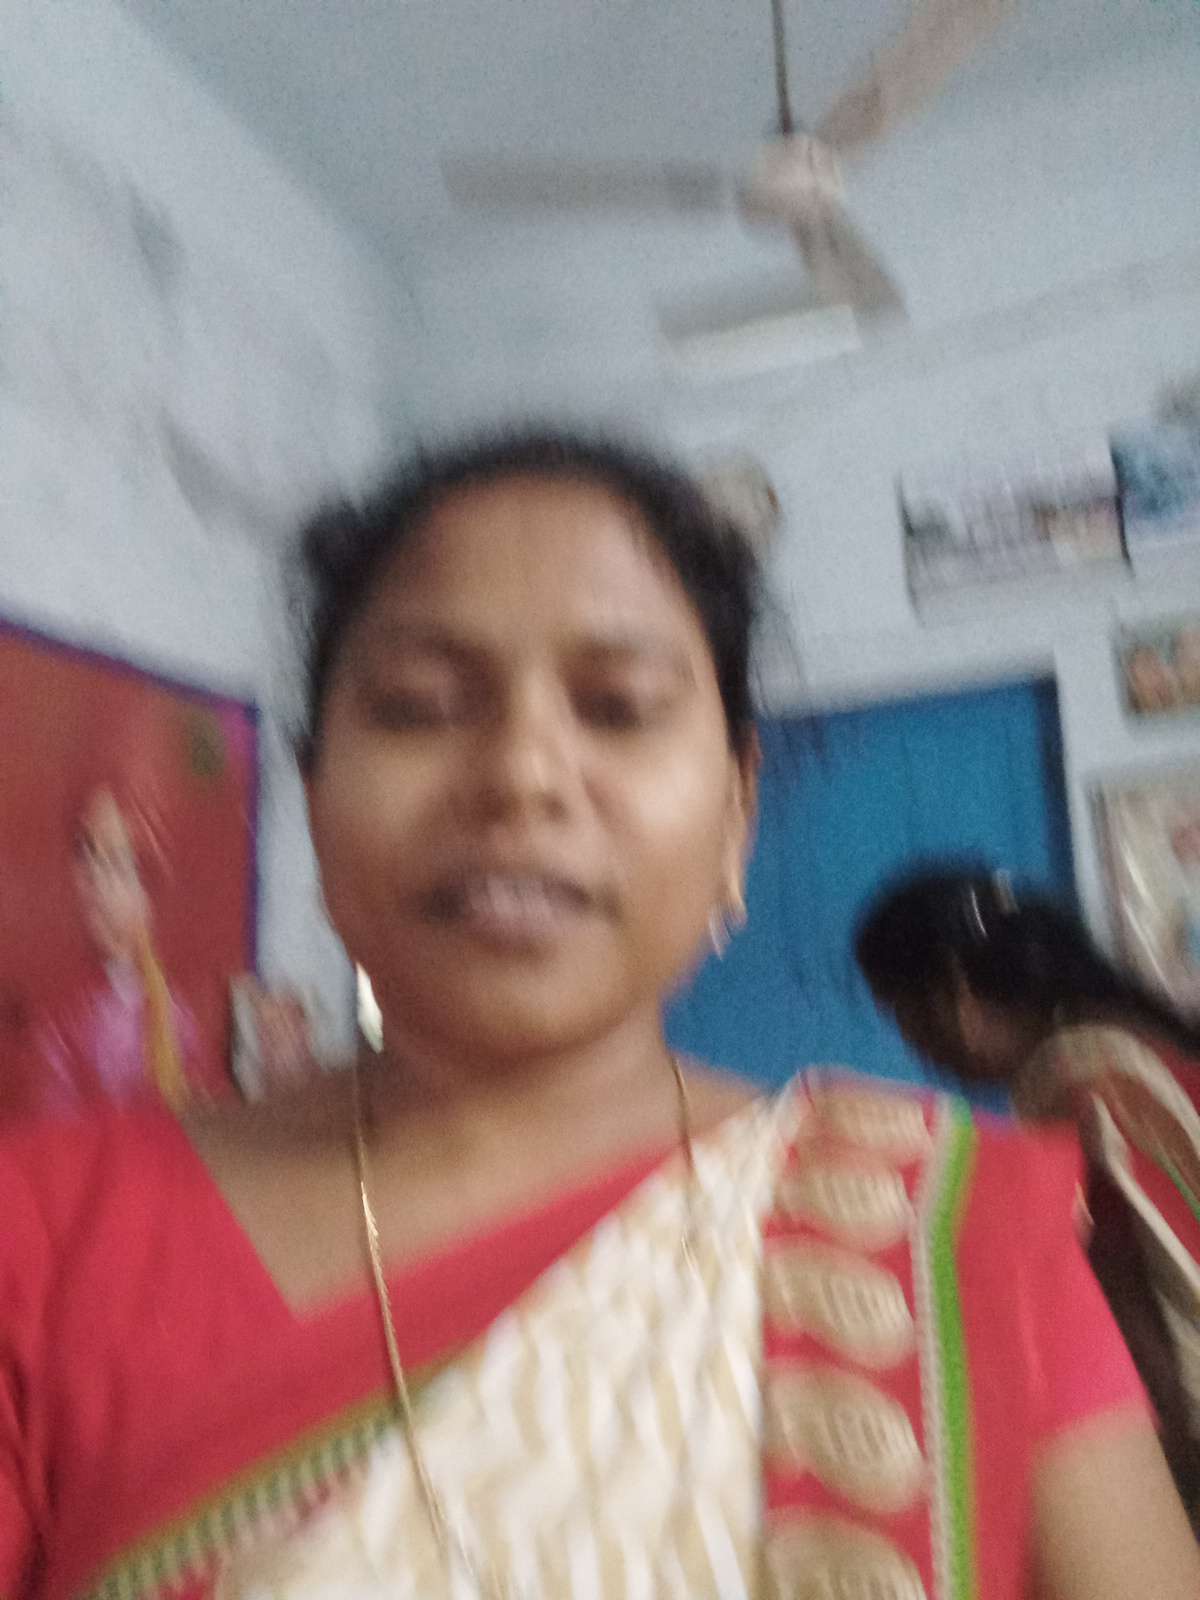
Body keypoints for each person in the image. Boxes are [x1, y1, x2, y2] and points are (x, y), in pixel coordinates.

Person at [2, 435, 1197, 1600]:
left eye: (619, 708)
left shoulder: (947, 1235)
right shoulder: (45, 1235)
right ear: (316, 805)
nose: (522, 772)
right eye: (420, 706)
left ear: (736, 814)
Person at [856, 864, 1200, 1526]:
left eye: (905, 1014)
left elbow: (1129, 1318)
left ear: (958, 992)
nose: (916, 1047)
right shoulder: (1144, 1039)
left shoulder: (1072, 1084)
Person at [15, 785, 217, 1119]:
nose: (93, 876)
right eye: (85, 853)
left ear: (151, 892)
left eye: (114, 862)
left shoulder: (183, 1011)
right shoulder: (58, 1016)